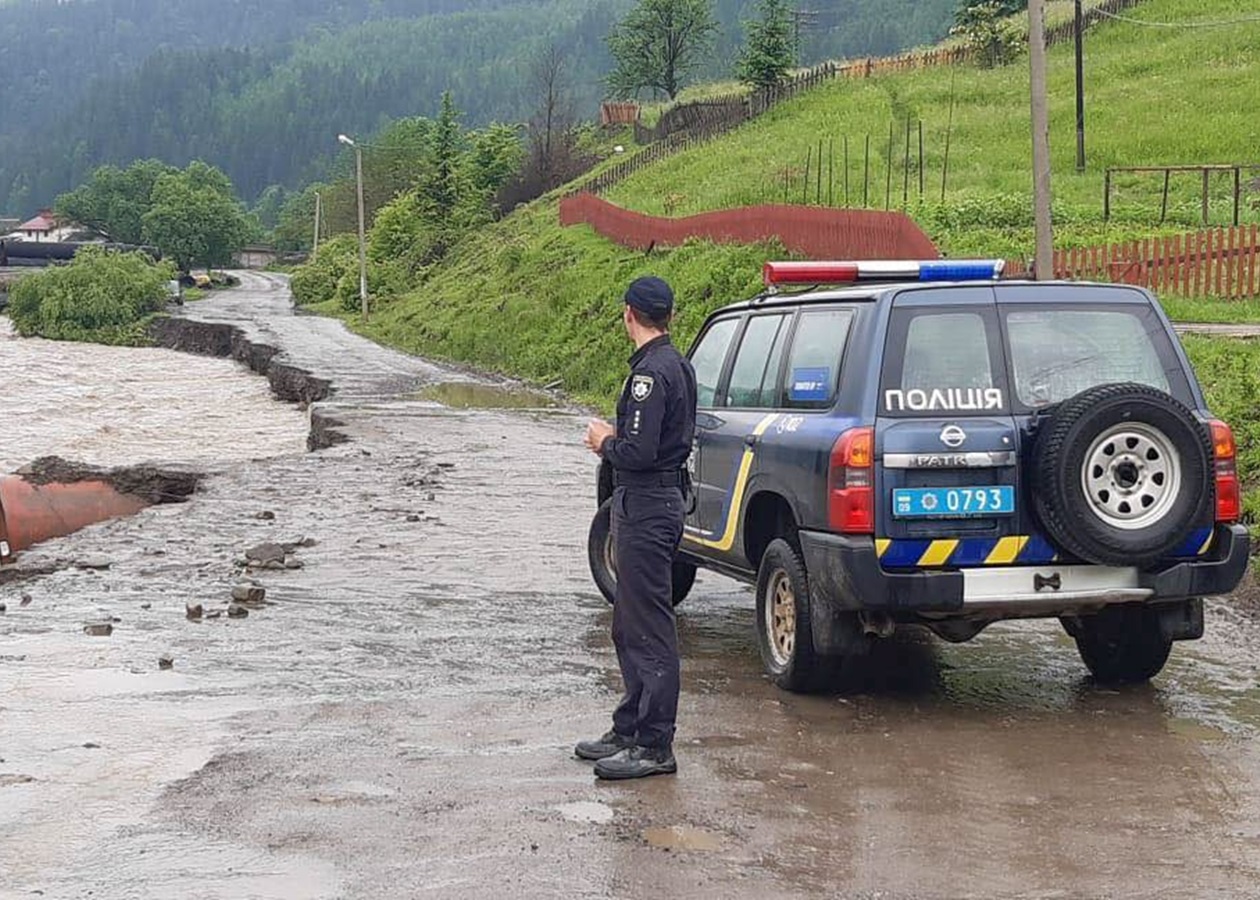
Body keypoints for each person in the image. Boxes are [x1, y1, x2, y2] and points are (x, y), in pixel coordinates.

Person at [577, 275, 697, 781]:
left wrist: (604, 441)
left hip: (648, 504)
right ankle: (629, 726)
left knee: (649, 625)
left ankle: (654, 743)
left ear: (629, 314)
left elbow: (640, 452)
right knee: (628, 620)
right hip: (650, 502)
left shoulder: (652, 374)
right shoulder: (680, 365)